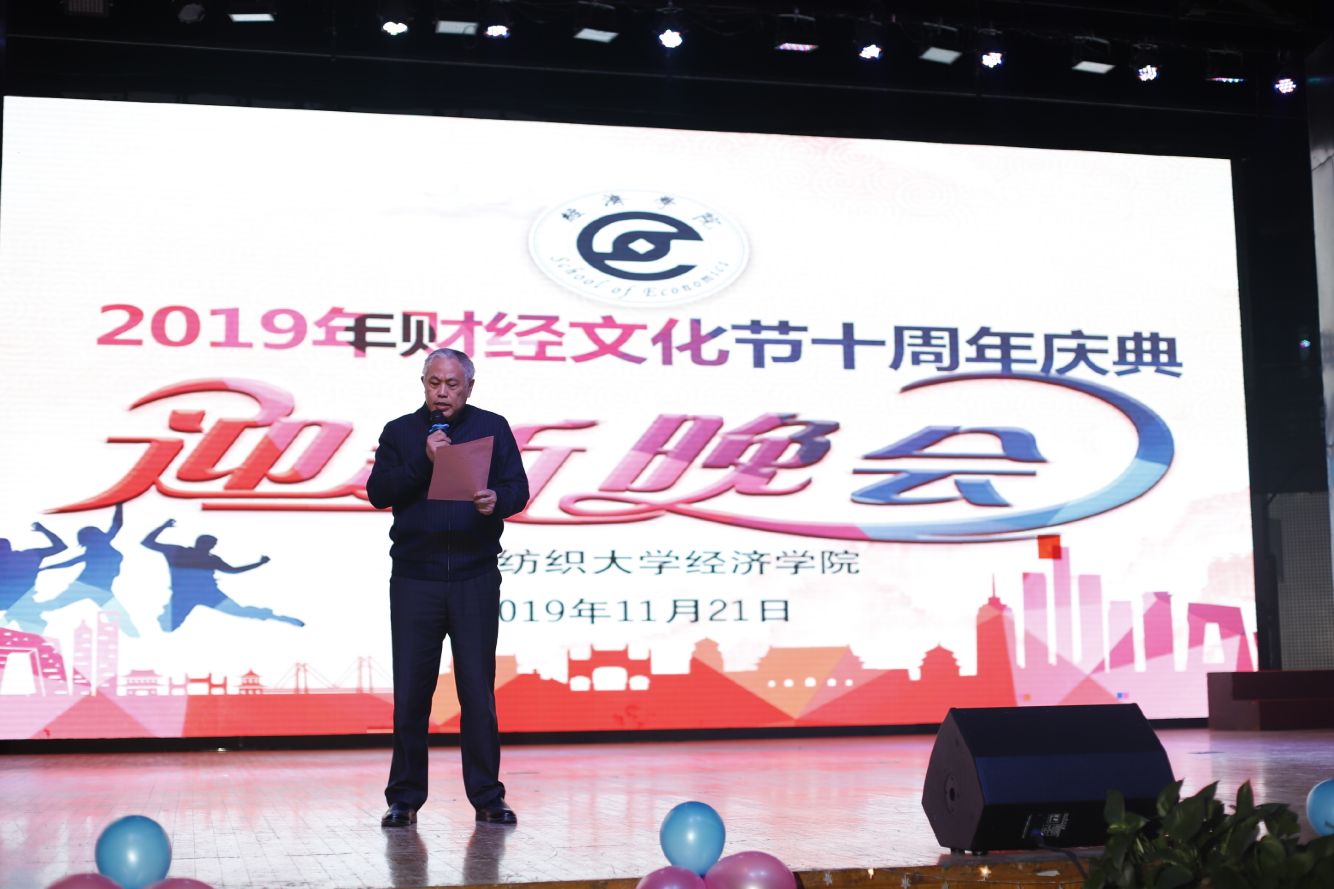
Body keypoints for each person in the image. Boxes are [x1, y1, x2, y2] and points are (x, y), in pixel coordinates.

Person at [366, 347, 529, 828]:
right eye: (433, 383)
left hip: (475, 577)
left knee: (477, 692)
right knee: (411, 694)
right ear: (423, 383)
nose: (442, 393)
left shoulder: (492, 427)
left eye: (452, 384)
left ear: (469, 387)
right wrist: (424, 459)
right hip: (415, 579)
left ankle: (488, 796)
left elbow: (518, 489)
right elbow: (379, 492)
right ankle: (404, 798)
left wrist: (497, 500)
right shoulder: (401, 432)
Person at [141, 519, 303, 631]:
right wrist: (163, 526)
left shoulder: (211, 559)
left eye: (211, 545)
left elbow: (233, 570)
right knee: (168, 628)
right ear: (199, 543)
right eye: (207, 544)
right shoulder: (178, 551)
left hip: (207, 593)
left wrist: (259, 563)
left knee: (239, 611)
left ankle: (281, 618)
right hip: (185, 594)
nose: (208, 547)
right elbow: (147, 543)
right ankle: (165, 615)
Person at [10, 503, 139, 637]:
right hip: (85, 585)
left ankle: (135, 636)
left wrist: (119, 504)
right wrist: (47, 567)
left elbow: (117, 524)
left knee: (117, 614)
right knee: (53, 605)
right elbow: (70, 562)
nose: (99, 534)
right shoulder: (95, 550)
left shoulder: (102, 544)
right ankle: (20, 612)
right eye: (94, 534)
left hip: (101, 587)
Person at [0, 523, 67, 630]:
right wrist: (43, 530)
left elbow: (61, 547)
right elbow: (60, 547)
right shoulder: (29, 555)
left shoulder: (28, 555)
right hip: (22, 601)